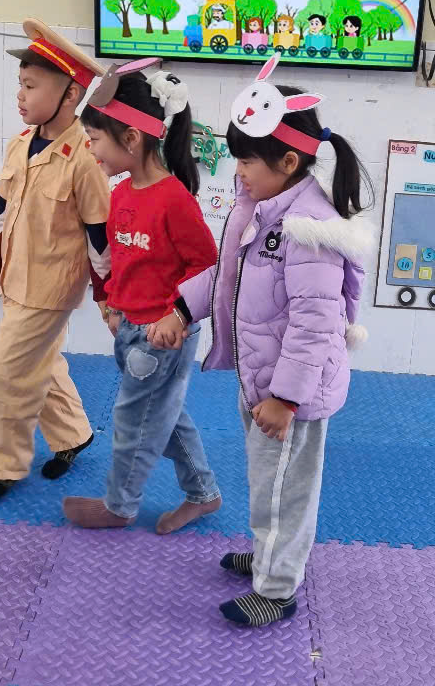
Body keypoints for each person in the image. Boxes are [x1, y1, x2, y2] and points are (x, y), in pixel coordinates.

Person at [151, 52, 371, 627]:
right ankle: (270, 554)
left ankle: (276, 589)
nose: (238, 171)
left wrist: (286, 398)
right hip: (262, 378)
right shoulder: (259, 209)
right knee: (266, 480)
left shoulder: (308, 230)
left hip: (289, 392)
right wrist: (182, 307)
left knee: (284, 490)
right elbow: (227, 275)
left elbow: (314, 325)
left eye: (247, 160)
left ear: (288, 161)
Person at [62, 58, 222, 535]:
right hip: (130, 329)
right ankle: (204, 493)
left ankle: (119, 505)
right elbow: (122, 259)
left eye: (95, 139)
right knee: (164, 417)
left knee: (133, 422)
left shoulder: (174, 200)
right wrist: (113, 301)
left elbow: (207, 267)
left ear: (131, 139)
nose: (90, 149)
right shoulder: (122, 193)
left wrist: (177, 316)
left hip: (161, 337)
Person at [0, 18, 111, 501]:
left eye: (31, 86)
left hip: (52, 286)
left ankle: (3, 466)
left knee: (7, 371)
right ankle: (74, 434)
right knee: (39, 360)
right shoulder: (20, 144)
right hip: (14, 276)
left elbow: (99, 234)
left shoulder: (88, 157)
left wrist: (108, 297)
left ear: (71, 95)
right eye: (20, 84)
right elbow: (2, 212)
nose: (20, 95)